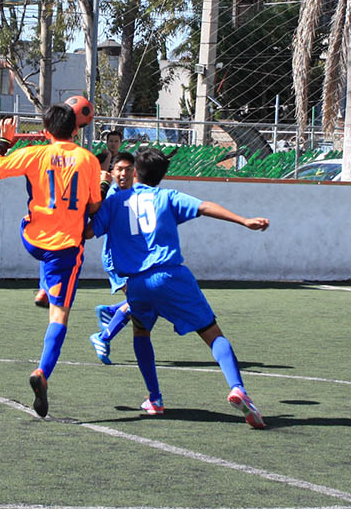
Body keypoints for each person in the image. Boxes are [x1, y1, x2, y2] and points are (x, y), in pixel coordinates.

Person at [89, 146, 269, 427]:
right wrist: (243, 220)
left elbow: (88, 231)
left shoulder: (115, 201)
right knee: (212, 332)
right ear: (162, 175)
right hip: (171, 276)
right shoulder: (167, 197)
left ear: (135, 172)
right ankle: (238, 388)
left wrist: (99, 192)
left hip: (136, 284)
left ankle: (155, 398)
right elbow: (205, 206)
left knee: (141, 332)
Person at [0, 104, 102, 418]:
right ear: (76, 129)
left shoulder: (36, 153)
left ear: (46, 132)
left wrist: (5, 141)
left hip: (33, 239)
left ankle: (43, 287)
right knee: (59, 317)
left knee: (28, 215)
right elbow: (93, 206)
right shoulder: (87, 159)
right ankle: (42, 372)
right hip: (64, 249)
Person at [34, 131, 125, 309]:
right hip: (94, 205)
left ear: (121, 143)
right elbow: (97, 176)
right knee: (67, 242)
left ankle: (49, 287)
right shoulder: (96, 158)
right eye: (110, 141)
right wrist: (106, 161)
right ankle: (49, 287)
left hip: (110, 206)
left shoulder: (124, 162)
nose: (113, 144)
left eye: (116, 141)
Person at [88, 152, 137, 365]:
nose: (124, 174)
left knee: (145, 301)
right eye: (119, 169)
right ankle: (103, 336)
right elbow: (94, 219)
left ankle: (111, 311)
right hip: (117, 259)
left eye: (128, 169)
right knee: (140, 302)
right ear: (112, 172)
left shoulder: (138, 193)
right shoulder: (110, 196)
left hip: (135, 259)